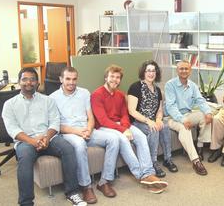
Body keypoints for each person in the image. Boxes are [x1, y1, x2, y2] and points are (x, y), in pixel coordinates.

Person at [2, 67, 86, 206]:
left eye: (32, 79)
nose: (29, 82)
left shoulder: (48, 100)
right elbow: (13, 130)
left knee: (68, 149)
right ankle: (26, 202)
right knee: (24, 157)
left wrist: (46, 138)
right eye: (25, 79)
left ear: (37, 82)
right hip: (25, 142)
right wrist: (33, 141)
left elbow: (55, 122)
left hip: (49, 138)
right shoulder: (9, 105)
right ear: (18, 82)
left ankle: (72, 192)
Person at [91, 65, 168, 194]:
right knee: (123, 139)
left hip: (121, 125)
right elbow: (103, 120)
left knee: (141, 137)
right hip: (104, 127)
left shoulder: (121, 95)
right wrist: (123, 130)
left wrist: (126, 127)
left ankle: (149, 173)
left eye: (118, 78)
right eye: (112, 77)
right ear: (106, 78)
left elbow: (125, 115)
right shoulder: (96, 95)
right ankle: (142, 176)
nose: (115, 80)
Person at [50, 67, 120, 203]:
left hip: (87, 130)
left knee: (113, 139)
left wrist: (88, 129)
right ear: (61, 79)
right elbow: (56, 126)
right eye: (68, 79)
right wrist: (77, 132)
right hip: (69, 133)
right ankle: (86, 187)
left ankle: (104, 182)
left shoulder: (84, 93)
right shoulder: (53, 98)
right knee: (80, 144)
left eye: (74, 79)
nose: (71, 82)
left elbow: (90, 116)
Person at [128, 60, 178, 178]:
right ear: (143, 73)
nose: (151, 73)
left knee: (165, 126)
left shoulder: (157, 90)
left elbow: (159, 110)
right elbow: (132, 111)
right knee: (154, 129)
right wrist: (149, 121)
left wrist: (159, 119)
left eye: (153, 71)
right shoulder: (135, 87)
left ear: (156, 73)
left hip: (152, 120)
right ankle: (153, 162)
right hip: (138, 122)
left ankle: (167, 158)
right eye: (148, 71)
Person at [164, 60, 212, 175]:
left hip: (188, 114)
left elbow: (200, 100)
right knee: (184, 128)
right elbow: (171, 107)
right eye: (181, 69)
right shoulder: (170, 85)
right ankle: (196, 161)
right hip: (172, 117)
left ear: (190, 71)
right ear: (177, 70)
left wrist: (208, 112)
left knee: (204, 116)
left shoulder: (193, 85)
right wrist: (183, 120)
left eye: (186, 69)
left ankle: (200, 146)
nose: (184, 71)